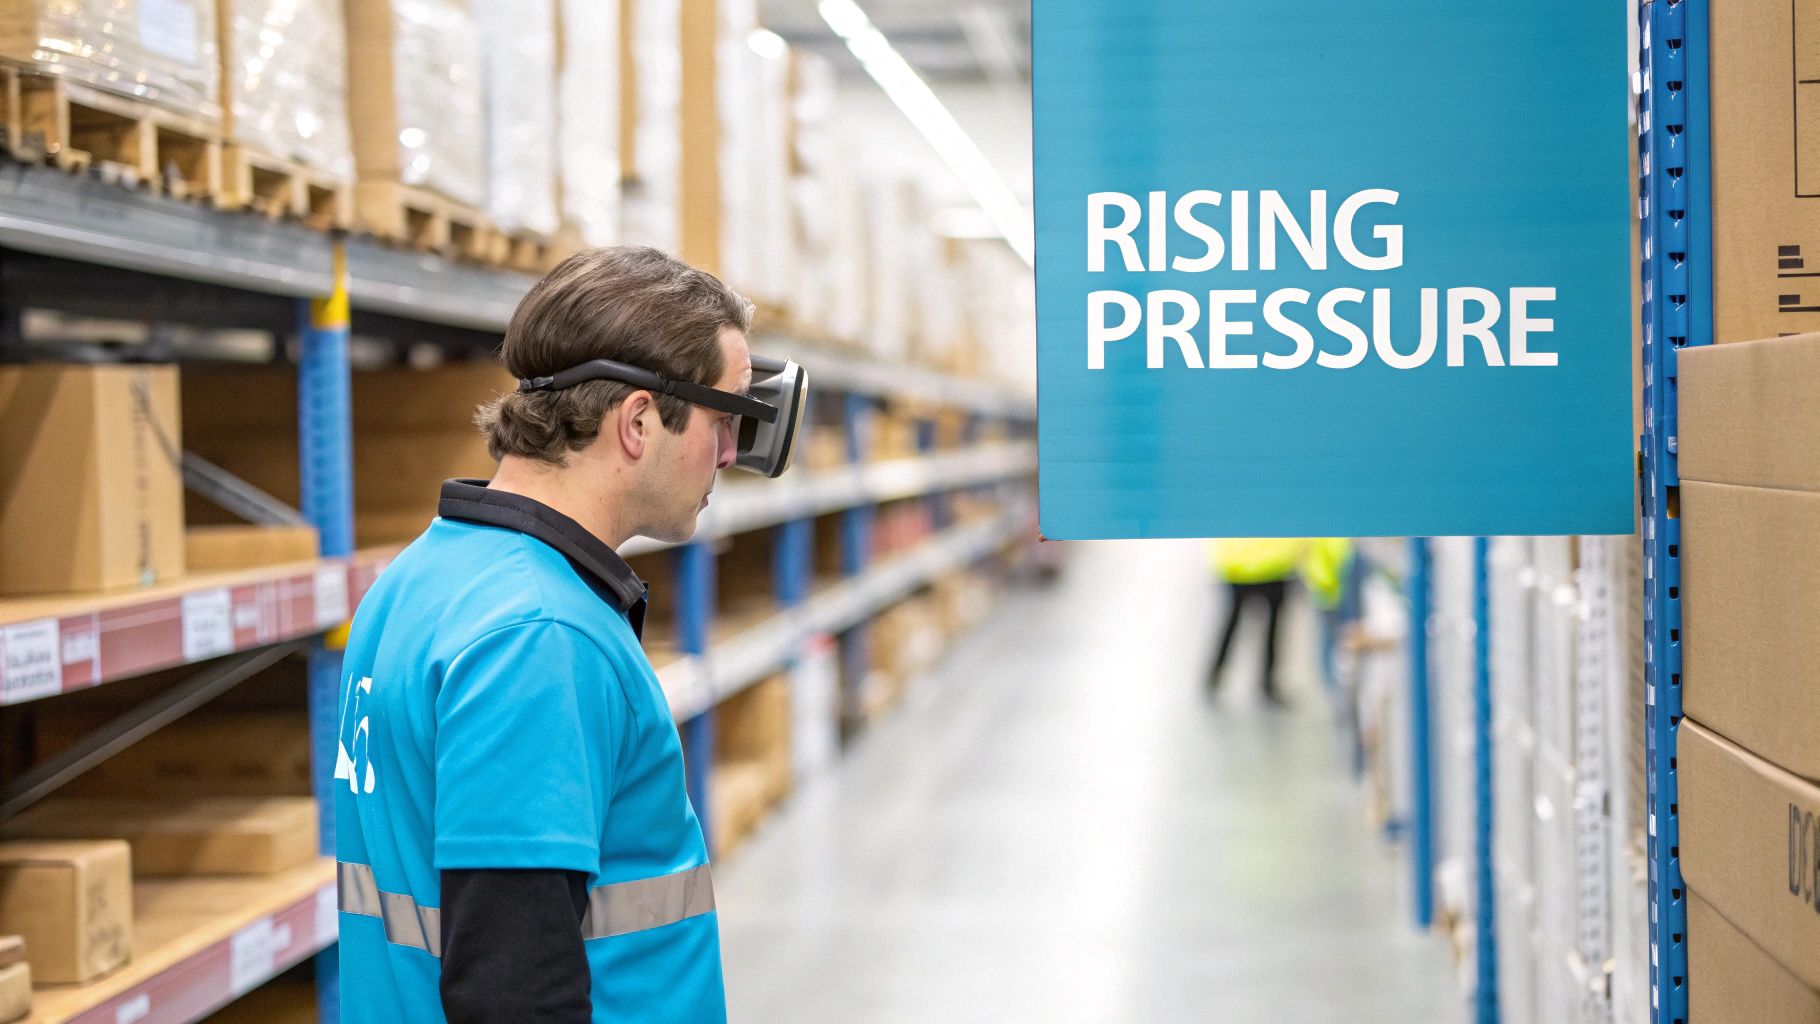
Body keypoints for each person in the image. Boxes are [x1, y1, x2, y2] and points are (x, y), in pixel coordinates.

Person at [333, 246, 761, 1023]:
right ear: (638, 422)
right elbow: (514, 992)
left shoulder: (420, 577)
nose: (730, 453)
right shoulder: (540, 636)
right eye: (723, 419)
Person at [1207, 538, 1312, 705]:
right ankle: (1266, 684)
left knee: (1235, 626)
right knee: (1271, 630)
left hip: (1241, 566)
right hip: (1271, 565)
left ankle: (1215, 677)